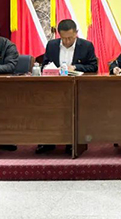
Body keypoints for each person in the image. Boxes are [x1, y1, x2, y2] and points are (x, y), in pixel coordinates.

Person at [37, 19, 98, 154]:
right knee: (45, 107)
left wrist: (75, 67)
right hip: (55, 87)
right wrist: (51, 69)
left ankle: (72, 142)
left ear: (76, 33)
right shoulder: (52, 45)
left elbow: (93, 67)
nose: (66, 41)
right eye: (63, 38)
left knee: (73, 110)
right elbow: (45, 64)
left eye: (70, 38)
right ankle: (47, 141)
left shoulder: (86, 46)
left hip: (77, 87)